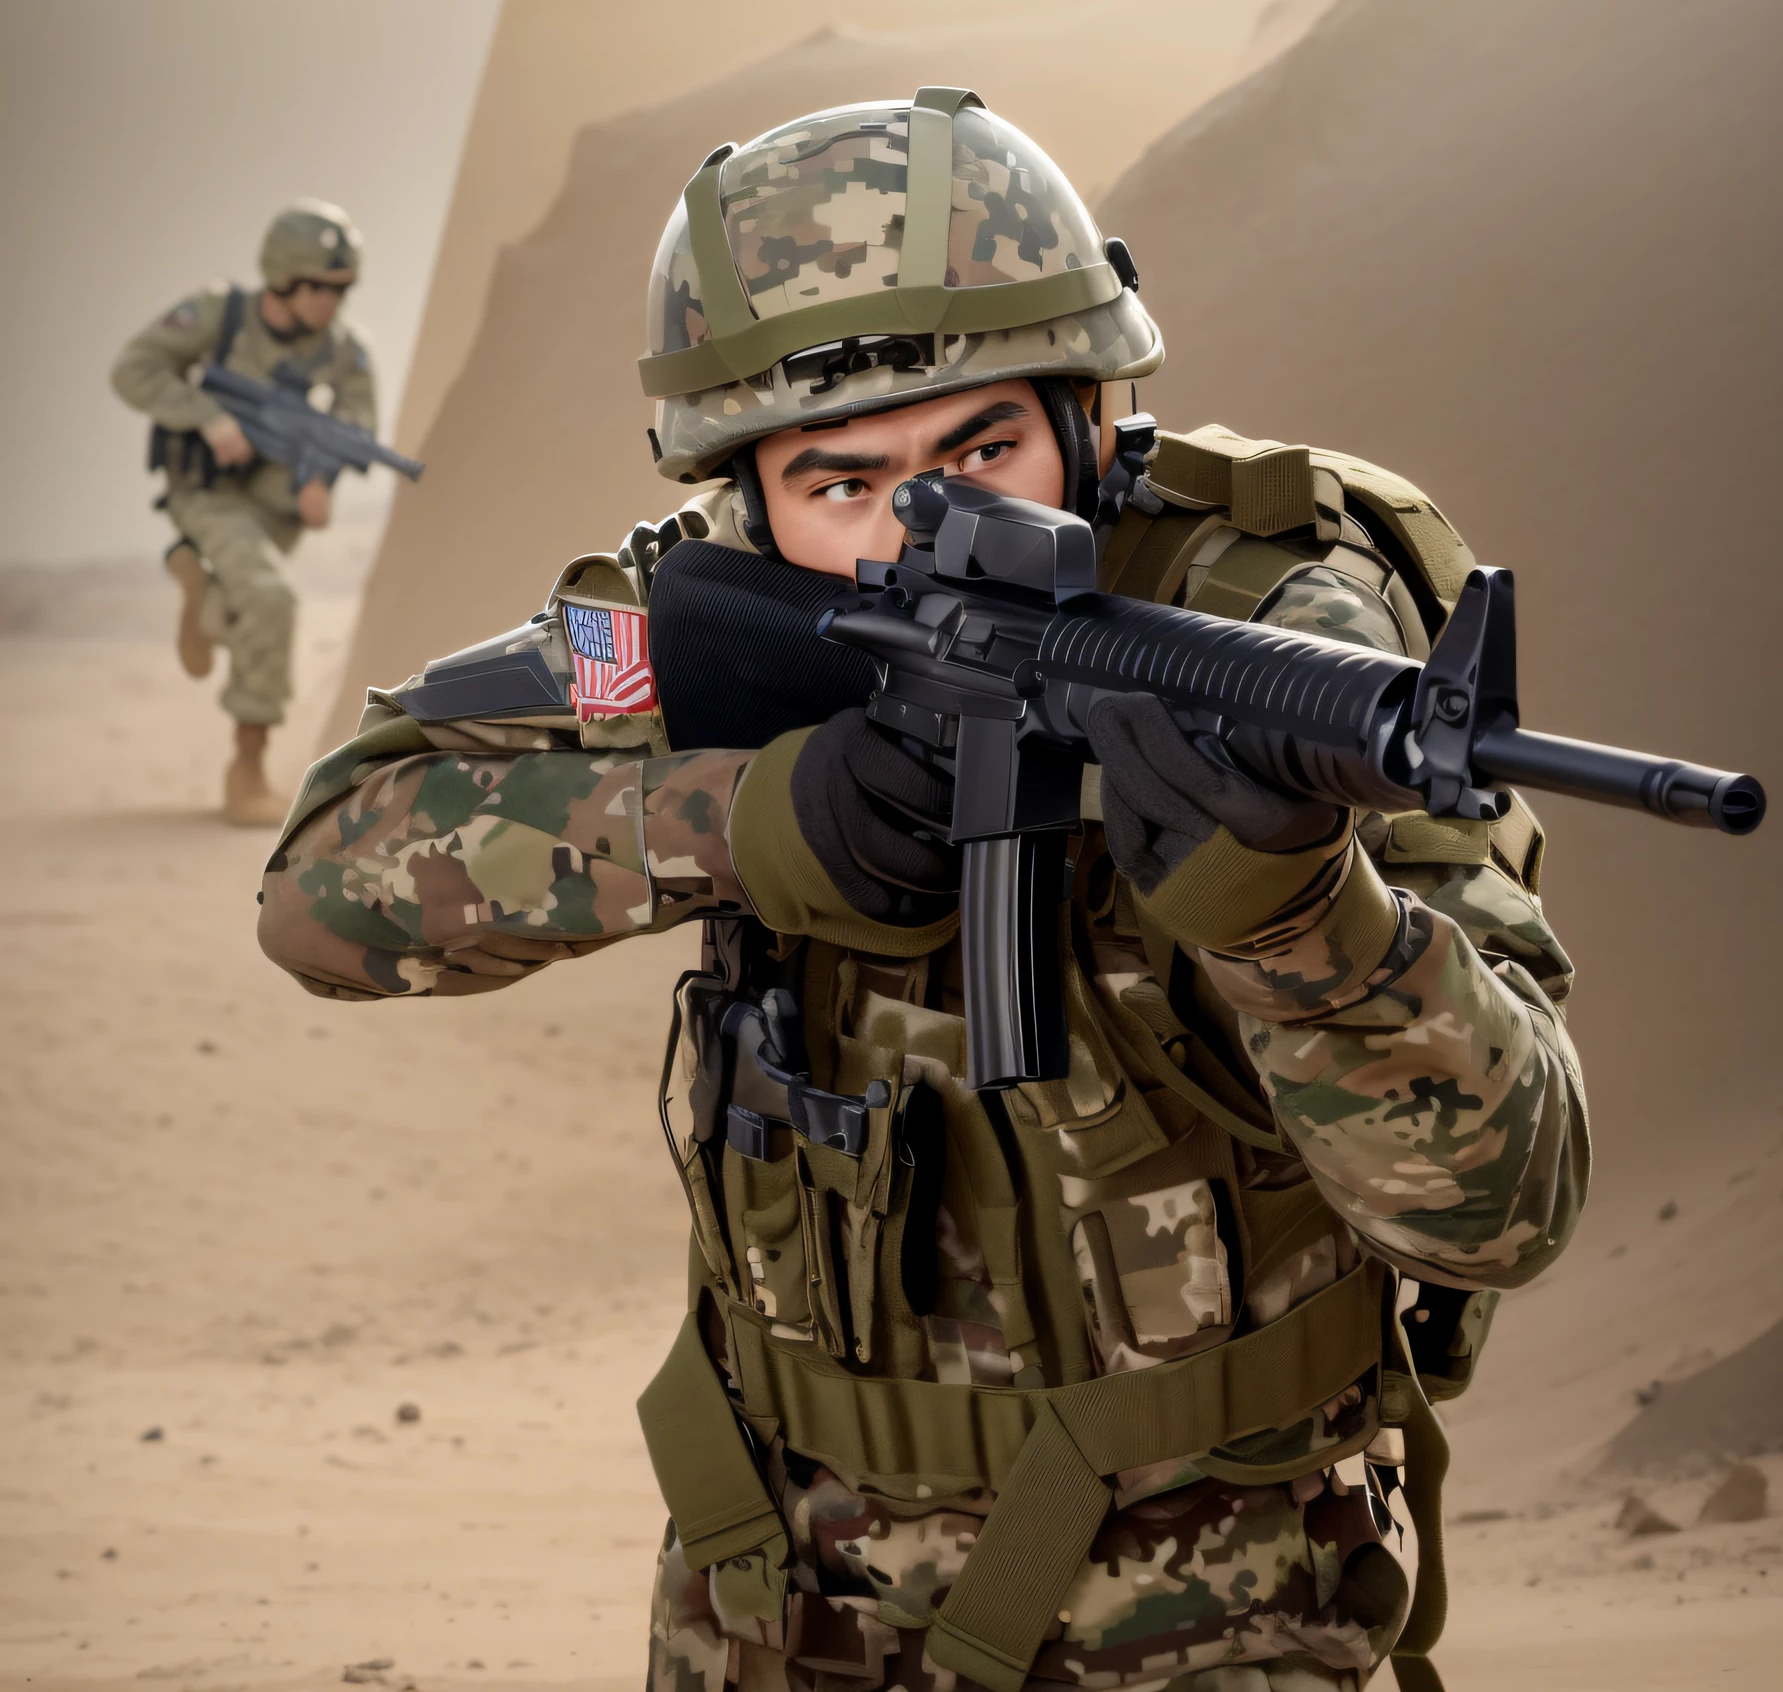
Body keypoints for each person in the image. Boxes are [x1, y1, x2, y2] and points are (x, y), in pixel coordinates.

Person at [257, 93, 1588, 1691]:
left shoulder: (1290, 617)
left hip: (1215, 1620)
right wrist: (744, 820)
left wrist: (1294, 916)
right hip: (779, 1607)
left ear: (1092, 414)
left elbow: (1505, 1208)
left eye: (982, 450)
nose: (922, 531)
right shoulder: (694, 626)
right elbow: (323, 885)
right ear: (741, 494)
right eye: (842, 484)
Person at [112, 199, 376, 824]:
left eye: (342, 289)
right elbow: (134, 369)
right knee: (272, 600)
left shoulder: (340, 348)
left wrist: (321, 477)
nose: (331, 303)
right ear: (283, 276)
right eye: (319, 287)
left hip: (274, 504)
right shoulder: (217, 314)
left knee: (252, 601)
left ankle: (203, 602)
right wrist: (208, 418)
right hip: (207, 490)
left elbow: (356, 420)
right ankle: (248, 769)